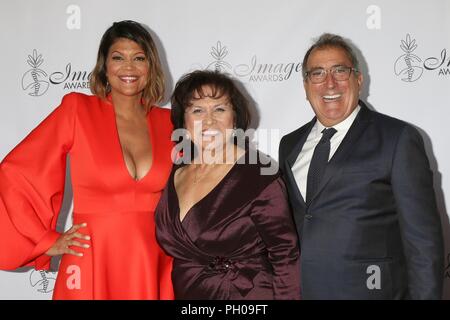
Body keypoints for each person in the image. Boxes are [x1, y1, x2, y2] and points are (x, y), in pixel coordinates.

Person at [0, 20, 174, 299]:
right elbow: (15, 172)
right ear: (104, 66)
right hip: (91, 260)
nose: (128, 67)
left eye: (139, 58)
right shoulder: (78, 110)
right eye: (118, 57)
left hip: (154, 260)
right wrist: (46, 241)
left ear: (151, 66)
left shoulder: (169, 123)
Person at [279, 33, 444, 299]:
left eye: (340, 71)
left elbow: (423, 243)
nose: (329, 83)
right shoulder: (289, 144)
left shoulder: (398, 139)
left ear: (358, 79)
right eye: (317, 73)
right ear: (306, 86)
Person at [155, 70, 300, 300]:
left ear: (235, 118)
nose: (209, 120)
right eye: (198, 110)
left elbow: (285, 255)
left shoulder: (259, 173)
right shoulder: (178, 170)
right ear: (184, 120)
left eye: (219, 109)